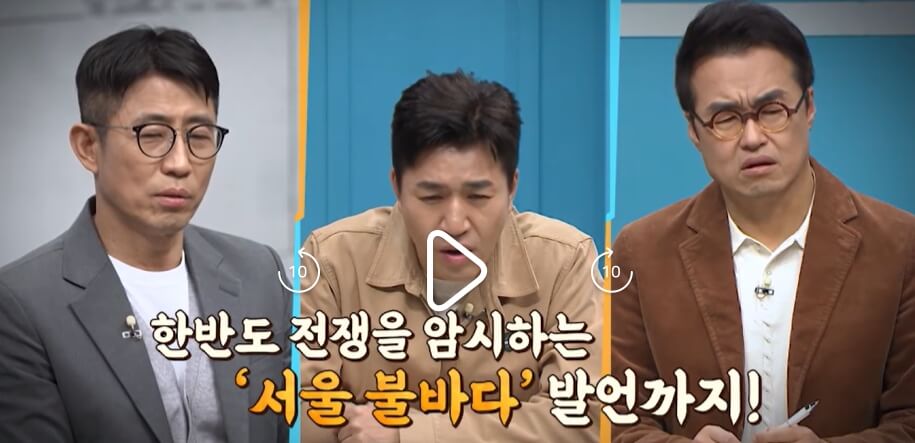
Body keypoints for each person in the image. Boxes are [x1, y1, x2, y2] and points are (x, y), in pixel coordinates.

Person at [610, 1, 915, 442]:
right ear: (694, 130)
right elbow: (620, 420)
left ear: (808, 106)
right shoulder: (641, 251)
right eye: (725, 119)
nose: (752, 138)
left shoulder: (900, 245)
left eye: (772, 110)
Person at [0, 27, 290, 443]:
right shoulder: (22, 303)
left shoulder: (259, 273)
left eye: (199, 136)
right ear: (88, 146)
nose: (180, 163)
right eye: (152, 135)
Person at [297, 70, 602, 442]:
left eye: (478, 197)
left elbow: (582, 418)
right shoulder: (331, 259)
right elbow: (302, 412)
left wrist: (406, 434)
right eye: (431, 197)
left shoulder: (565, 261)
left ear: (511, 188)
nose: (455, 224)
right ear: (396, 187)